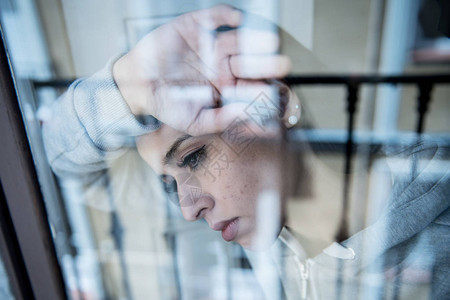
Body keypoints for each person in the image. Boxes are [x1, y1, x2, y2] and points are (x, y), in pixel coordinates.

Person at [43, 4, 449, 299]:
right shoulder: (253, 213)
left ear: (280, 103)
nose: (188, 209)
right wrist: (129, 85)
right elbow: (62, 161)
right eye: (169, 184)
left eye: (194, 157)